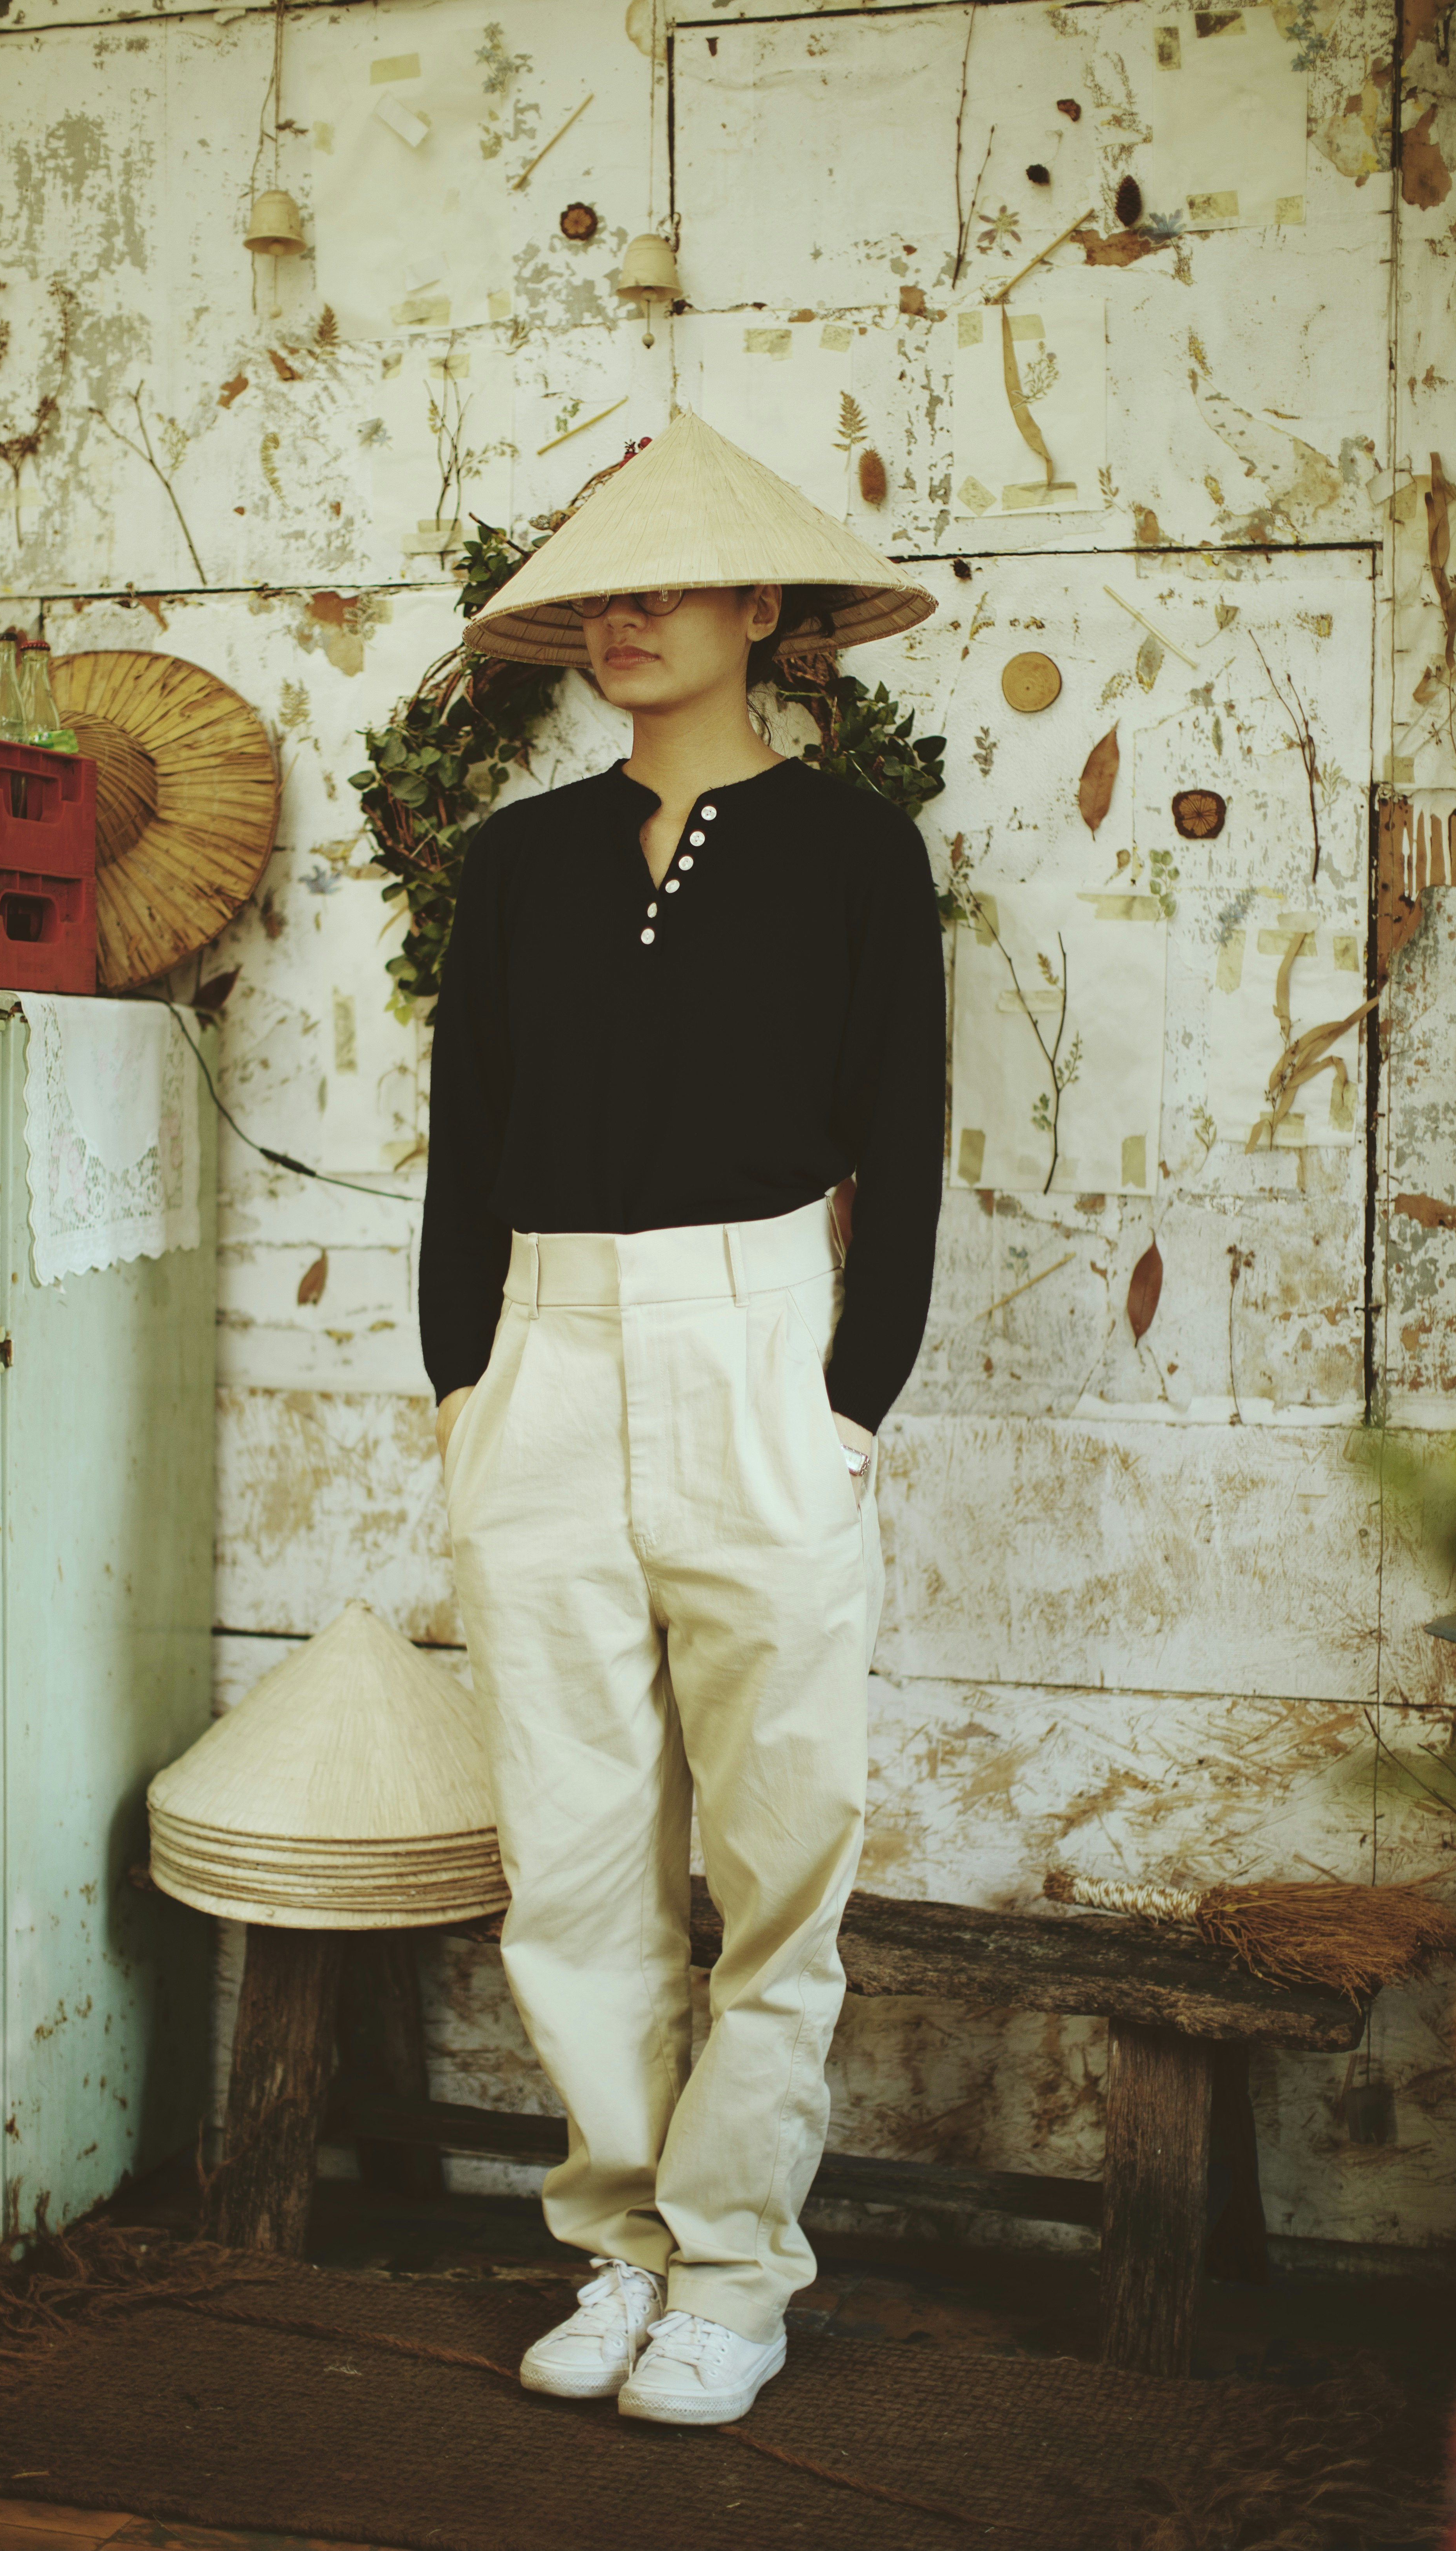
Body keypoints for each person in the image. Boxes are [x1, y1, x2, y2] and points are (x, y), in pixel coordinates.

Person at [418, 411, 945, 2427]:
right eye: (594, 595)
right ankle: (615, 2242)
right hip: (538, 1352)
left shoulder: (850, 852)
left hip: (758, 1343)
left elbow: (898, 1134)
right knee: (566, 1847)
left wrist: (848, 1397)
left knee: (780, 1833)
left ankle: (735, 2267)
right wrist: (464, 1380)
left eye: (662, 585)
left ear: (760, 611)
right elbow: (465, 1146)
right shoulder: (515, 860)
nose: (621, 620)